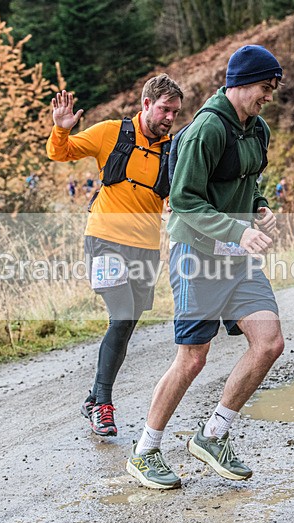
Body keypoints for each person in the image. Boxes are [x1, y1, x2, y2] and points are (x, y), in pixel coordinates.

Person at [127, 45, 285, 490]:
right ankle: (145, 451)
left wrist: (260, 206)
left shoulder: (258, 129)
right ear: (239, 83)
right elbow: (184, 201)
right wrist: (237, 232)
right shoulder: (204, 131)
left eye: (272, 89)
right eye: (264, 87)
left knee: (269, 342)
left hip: (236, 258)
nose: (268, 96)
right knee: (193, 358)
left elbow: (251, 180)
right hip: (196, 253)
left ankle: (213, 434)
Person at [46, 74, 184, 437]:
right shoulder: (111, 132)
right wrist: (61, 129)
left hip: (145, 248)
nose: (170, 117)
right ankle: (103, 405)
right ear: (146, 104)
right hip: (105, 239)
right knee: (121, 315)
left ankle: (94, 398)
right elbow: (60, 153)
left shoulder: (173, 149)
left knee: (125, 325)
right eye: (164, 109)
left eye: (175, 112)